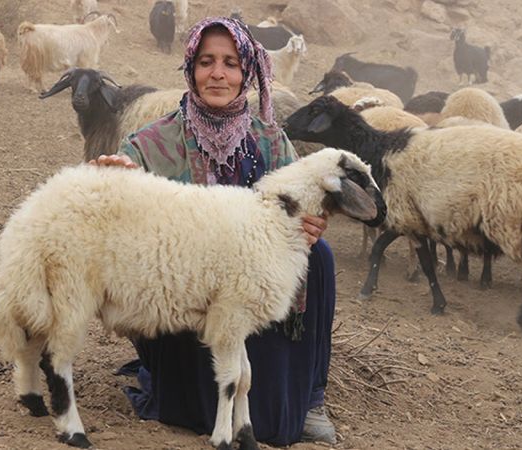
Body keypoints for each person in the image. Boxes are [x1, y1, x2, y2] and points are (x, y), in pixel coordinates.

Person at [91, 17, 337, 446]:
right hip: (185, 307)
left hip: (251, 301)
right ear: (191, 68)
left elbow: (303, 207)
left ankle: (313, 395)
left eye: (230, 63)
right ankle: (169, 379)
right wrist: (118, 174)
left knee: (321, 256)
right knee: (209, 411)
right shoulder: (154, 141)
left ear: (248, 72)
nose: (218, 74)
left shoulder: (272, 143)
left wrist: (310, 224)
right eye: (206, 62)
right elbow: (122, 200)